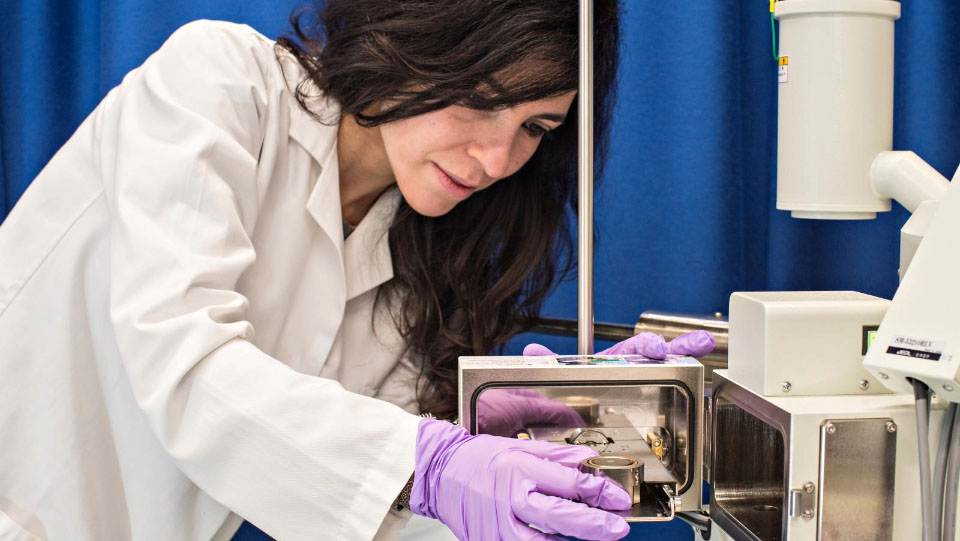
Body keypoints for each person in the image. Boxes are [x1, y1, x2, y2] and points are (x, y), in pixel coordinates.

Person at [0, 1, 708, 540]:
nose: (497, 160)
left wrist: (530, 435)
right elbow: (185, 364)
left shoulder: (422, 254)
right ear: (413, 37)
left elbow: (366, 498)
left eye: (534, 128)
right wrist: (428, 460)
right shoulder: (215, 83)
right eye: (484, 99)